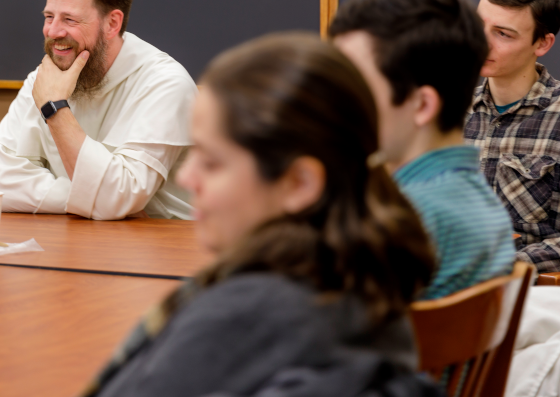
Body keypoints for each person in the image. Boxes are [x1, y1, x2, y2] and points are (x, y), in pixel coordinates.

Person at [81, 32, 440, 397]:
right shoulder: (360, 277)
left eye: (212, 162)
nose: (188, 178)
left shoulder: (243, 316)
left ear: (299, 183)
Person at [330, 0, 516, 299]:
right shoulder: (483, 205)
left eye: (356, 84)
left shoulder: (405, 221)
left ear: (422, 105)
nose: (341, 101)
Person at [0, 0, 197, 220]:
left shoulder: (165, 84)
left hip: (170, 248)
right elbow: (0, 184)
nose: (53, 32)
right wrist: (93, 200)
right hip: (81, 241)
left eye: (69, 20)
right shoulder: (45, 78)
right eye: (49, 16)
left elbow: (116, 197)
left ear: (112, 23)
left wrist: (55, 109)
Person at [464, 0, 560, 272]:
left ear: (542, 44)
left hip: (532, 297)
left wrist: (501, 267)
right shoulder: (448, 111)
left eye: (503, 34)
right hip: (443, 290)